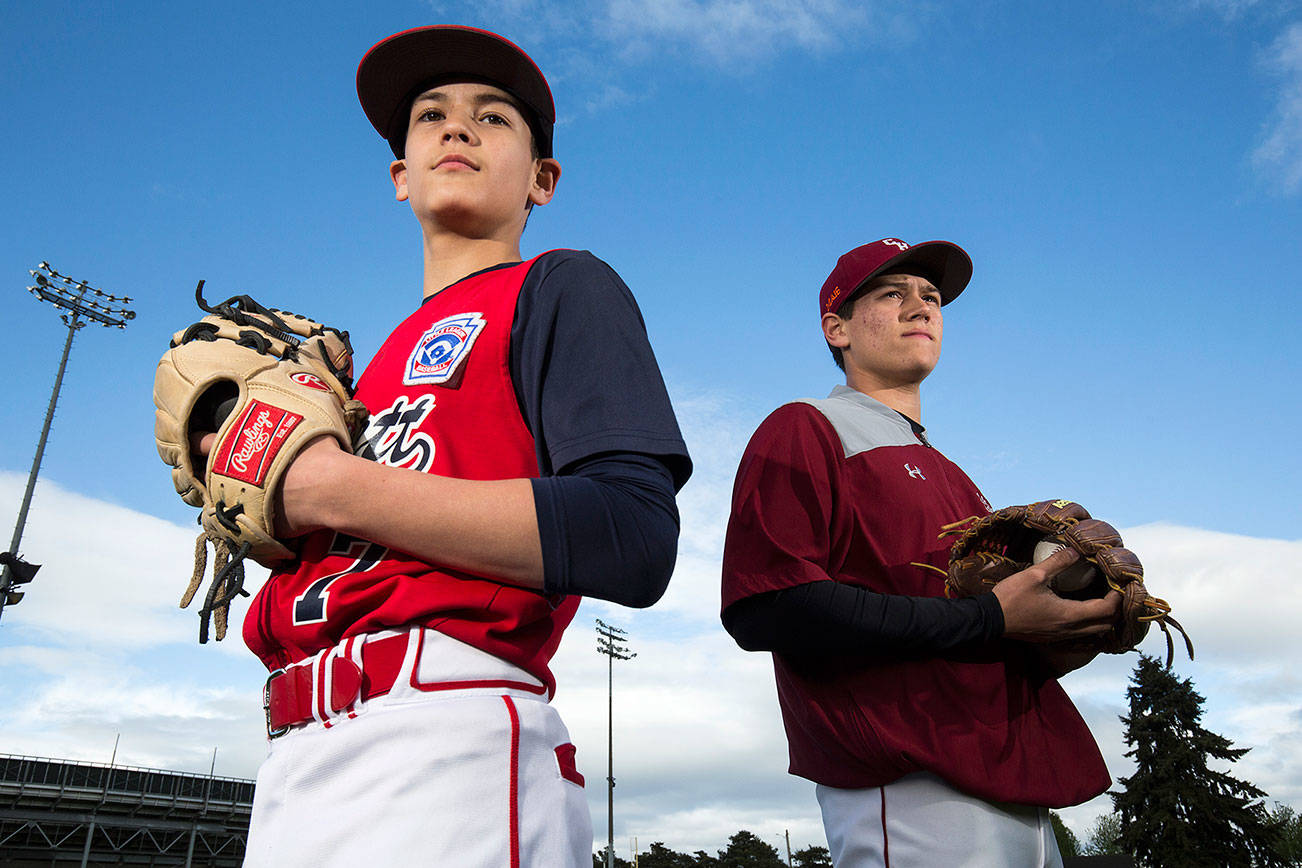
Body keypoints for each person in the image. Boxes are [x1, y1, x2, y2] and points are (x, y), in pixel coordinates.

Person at [233, 26, 691, 867]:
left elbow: (632, 536)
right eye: (431, 115)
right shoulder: (354, 381)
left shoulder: (556, 285)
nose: (458, 128)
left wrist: (328, 487)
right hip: (296, 750)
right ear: (400, 177)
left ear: (542, 181)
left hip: (449, 737)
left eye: (493, 118)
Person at [719, 237, 1119, 867]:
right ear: (837, 327)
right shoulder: (805, 426)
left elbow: (976, 635)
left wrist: (1067, 625)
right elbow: (769, 606)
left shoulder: (957, 478)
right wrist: (991, 619)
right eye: (891, 294)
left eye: (931, 297)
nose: (921, 307)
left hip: (1011, 773)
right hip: (907, 783)